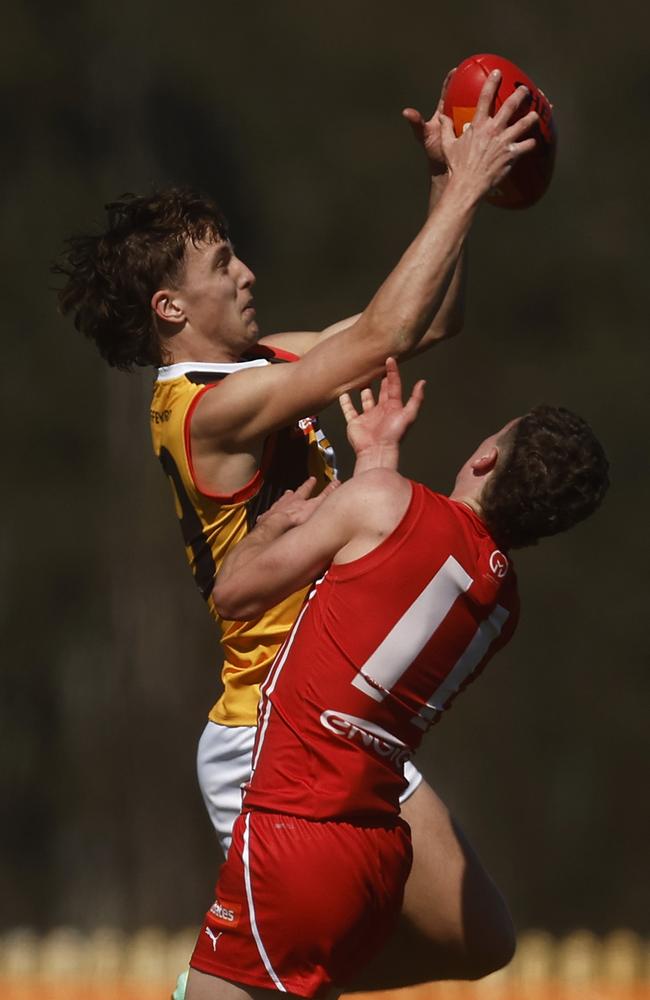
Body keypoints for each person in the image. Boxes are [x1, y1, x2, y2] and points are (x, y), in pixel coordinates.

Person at [55, 71, 540, 988]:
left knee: (482, 939)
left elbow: (427, 322)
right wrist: (475, 183)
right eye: (223, 264)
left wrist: (446, 183)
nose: (247, 273)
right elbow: (385, 324)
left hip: (337, 716)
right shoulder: (207, 411)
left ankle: (274, 982)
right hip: (266, 731)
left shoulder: (263, 361)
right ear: (170, 309)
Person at [186, 359, 609, 1000]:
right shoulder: (501, 608)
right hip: (379, 851)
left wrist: (270, 527)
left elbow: (236, 594)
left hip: (294, 826)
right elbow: (388, 586)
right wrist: (376, 462)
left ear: (488, 458)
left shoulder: (385, 502)